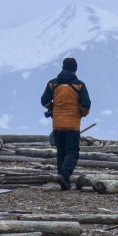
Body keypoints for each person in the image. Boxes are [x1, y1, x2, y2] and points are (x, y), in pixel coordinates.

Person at [40, 57, 92, 190]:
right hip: (72, 125)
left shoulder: (53, 83)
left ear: (62, 67)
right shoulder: (79, 85)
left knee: (61, 152)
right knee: (72, 152)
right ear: (75, 69)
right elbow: (86, 105)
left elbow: (44, 100)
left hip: (57, 124)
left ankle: (63, 180)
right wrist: (81, 113)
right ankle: (64, 175)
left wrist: (53, 108)